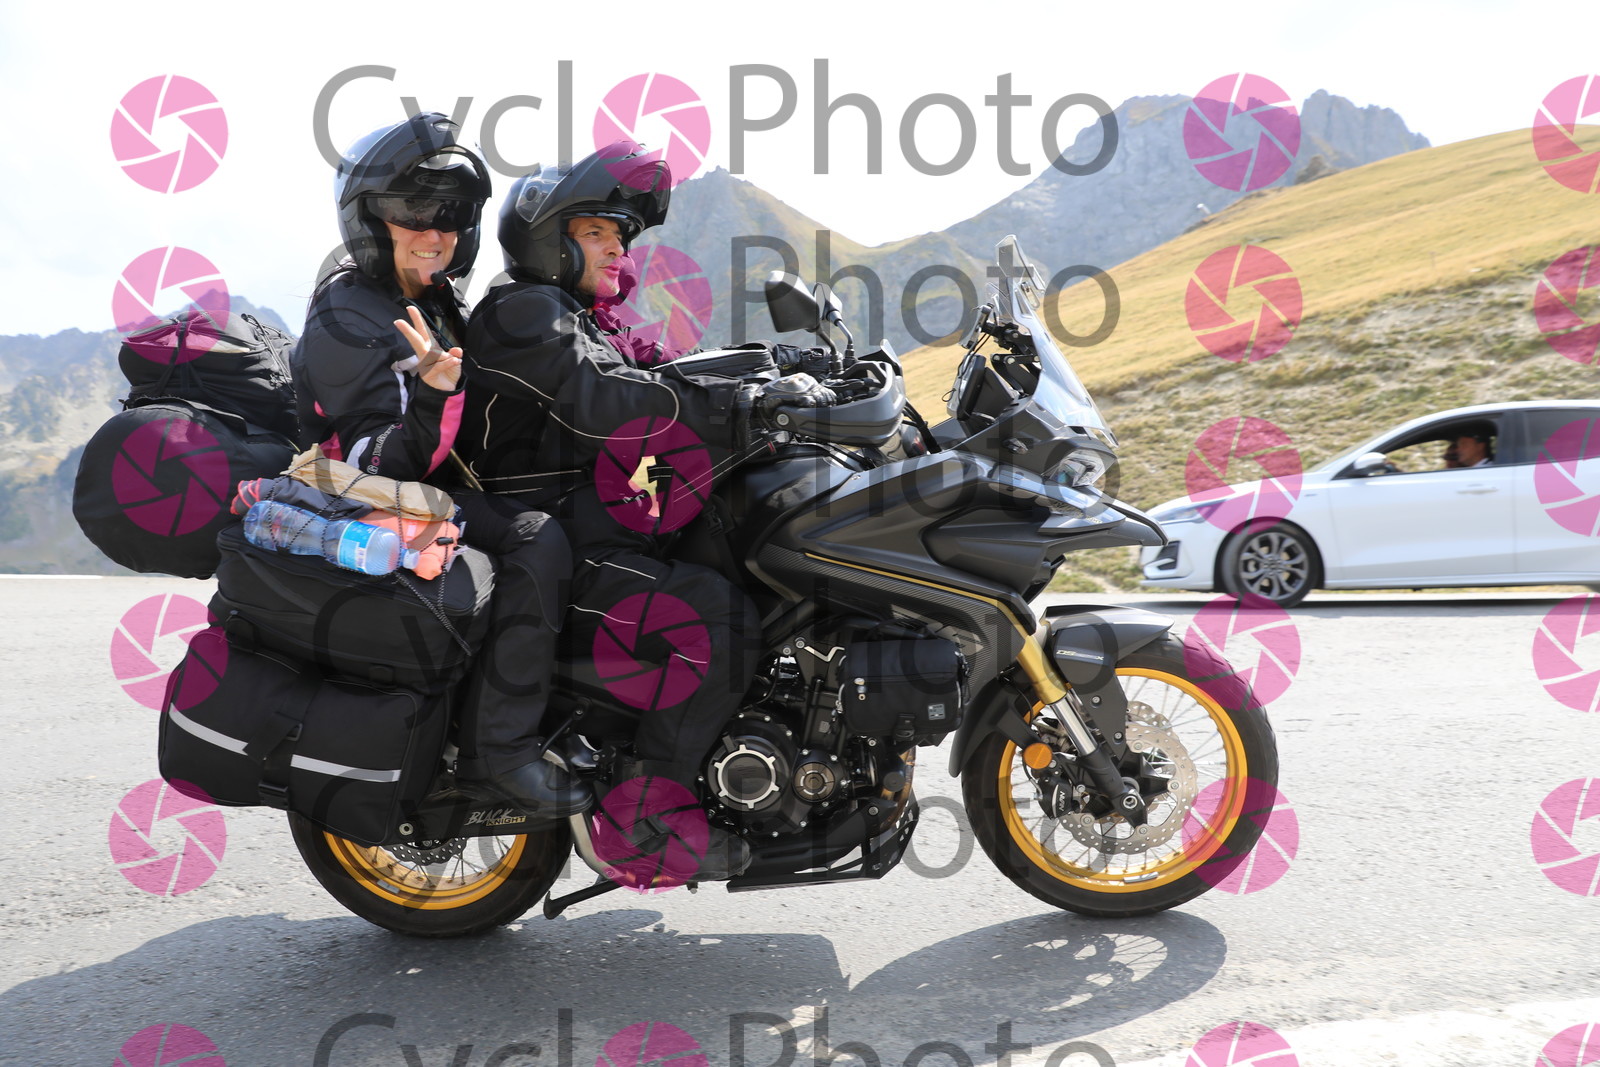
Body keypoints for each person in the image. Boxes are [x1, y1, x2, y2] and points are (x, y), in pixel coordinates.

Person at [457, 141, 837, 880]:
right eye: (597, 232)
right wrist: (743, 404)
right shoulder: (521, 312)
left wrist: (779, 365)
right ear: (548, 237)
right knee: (717, 624)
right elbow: (610, 398)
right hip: (562, 546)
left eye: (621, 235)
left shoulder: (575, 314)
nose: (617, 249)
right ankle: (644, 822)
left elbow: (661, 371)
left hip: (607, 525)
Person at [293, 113, 588, 818]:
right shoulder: (346, 316)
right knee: (537, 539)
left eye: (451, 214)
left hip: (431, 484)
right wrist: (431, 392)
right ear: (371, 219)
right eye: (413, 212)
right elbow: (374, 462)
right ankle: (500, 750)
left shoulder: (432, 299)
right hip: (362, 496)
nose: (434, 230)